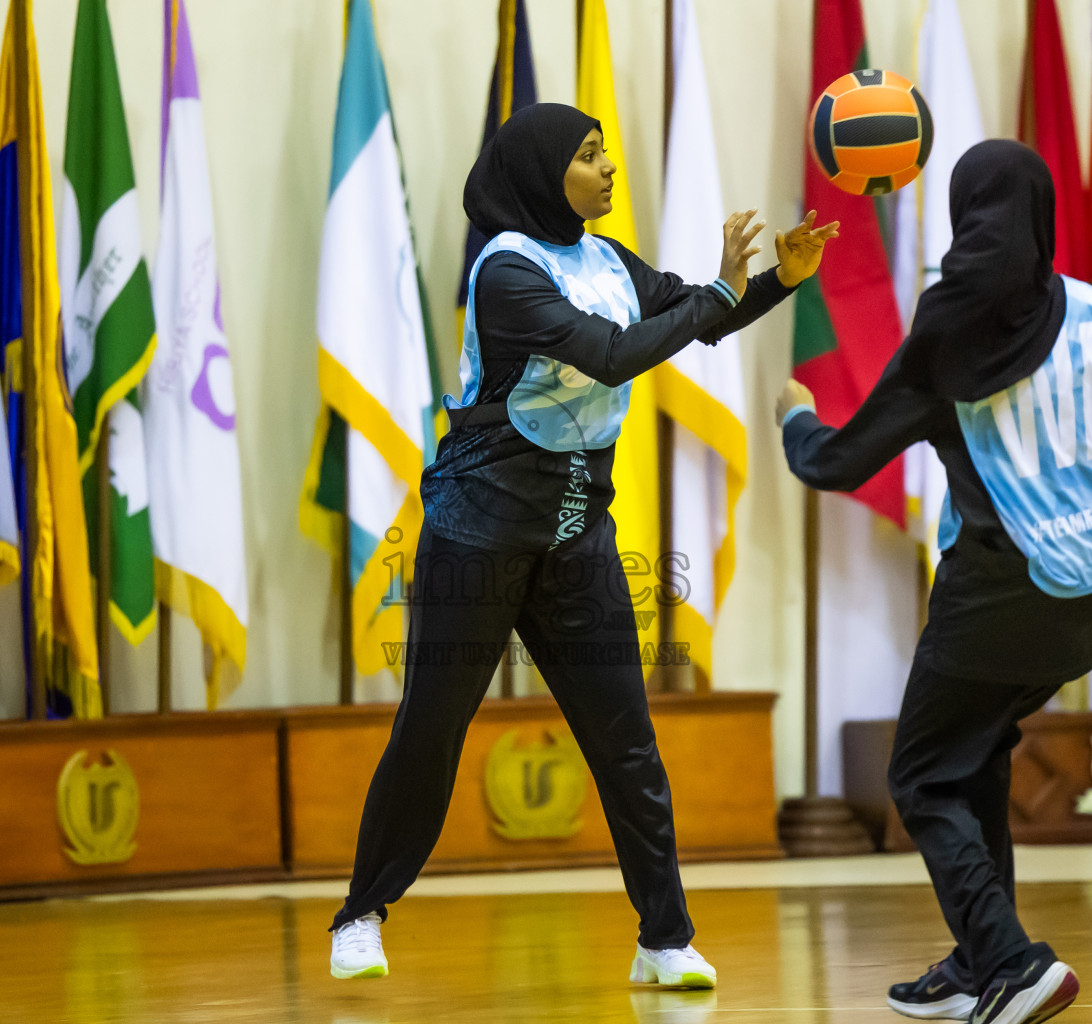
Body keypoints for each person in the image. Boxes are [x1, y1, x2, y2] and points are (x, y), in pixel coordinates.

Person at [329, 102, 838, 985]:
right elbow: (610, 354)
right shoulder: (504, 274)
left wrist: (774, 285)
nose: (608, 168)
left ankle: (665, 940)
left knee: (626, 739)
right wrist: (715, 292)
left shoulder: (603, 259)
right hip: (475, 537)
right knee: (431, 731)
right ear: (539, 173)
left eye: (606, 152)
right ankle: (361, 914)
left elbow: (694, 318)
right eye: (589, 155)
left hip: (573, 537)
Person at [775, 140, 1092, 1024]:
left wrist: (796, 422)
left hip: (997, 590)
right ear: (1042, 217)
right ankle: (979, 962)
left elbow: (843, 463)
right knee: (976, 757)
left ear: (965, 218)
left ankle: (1013, 962)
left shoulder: (944, 338)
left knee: (924, 777)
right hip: (1091, 592)